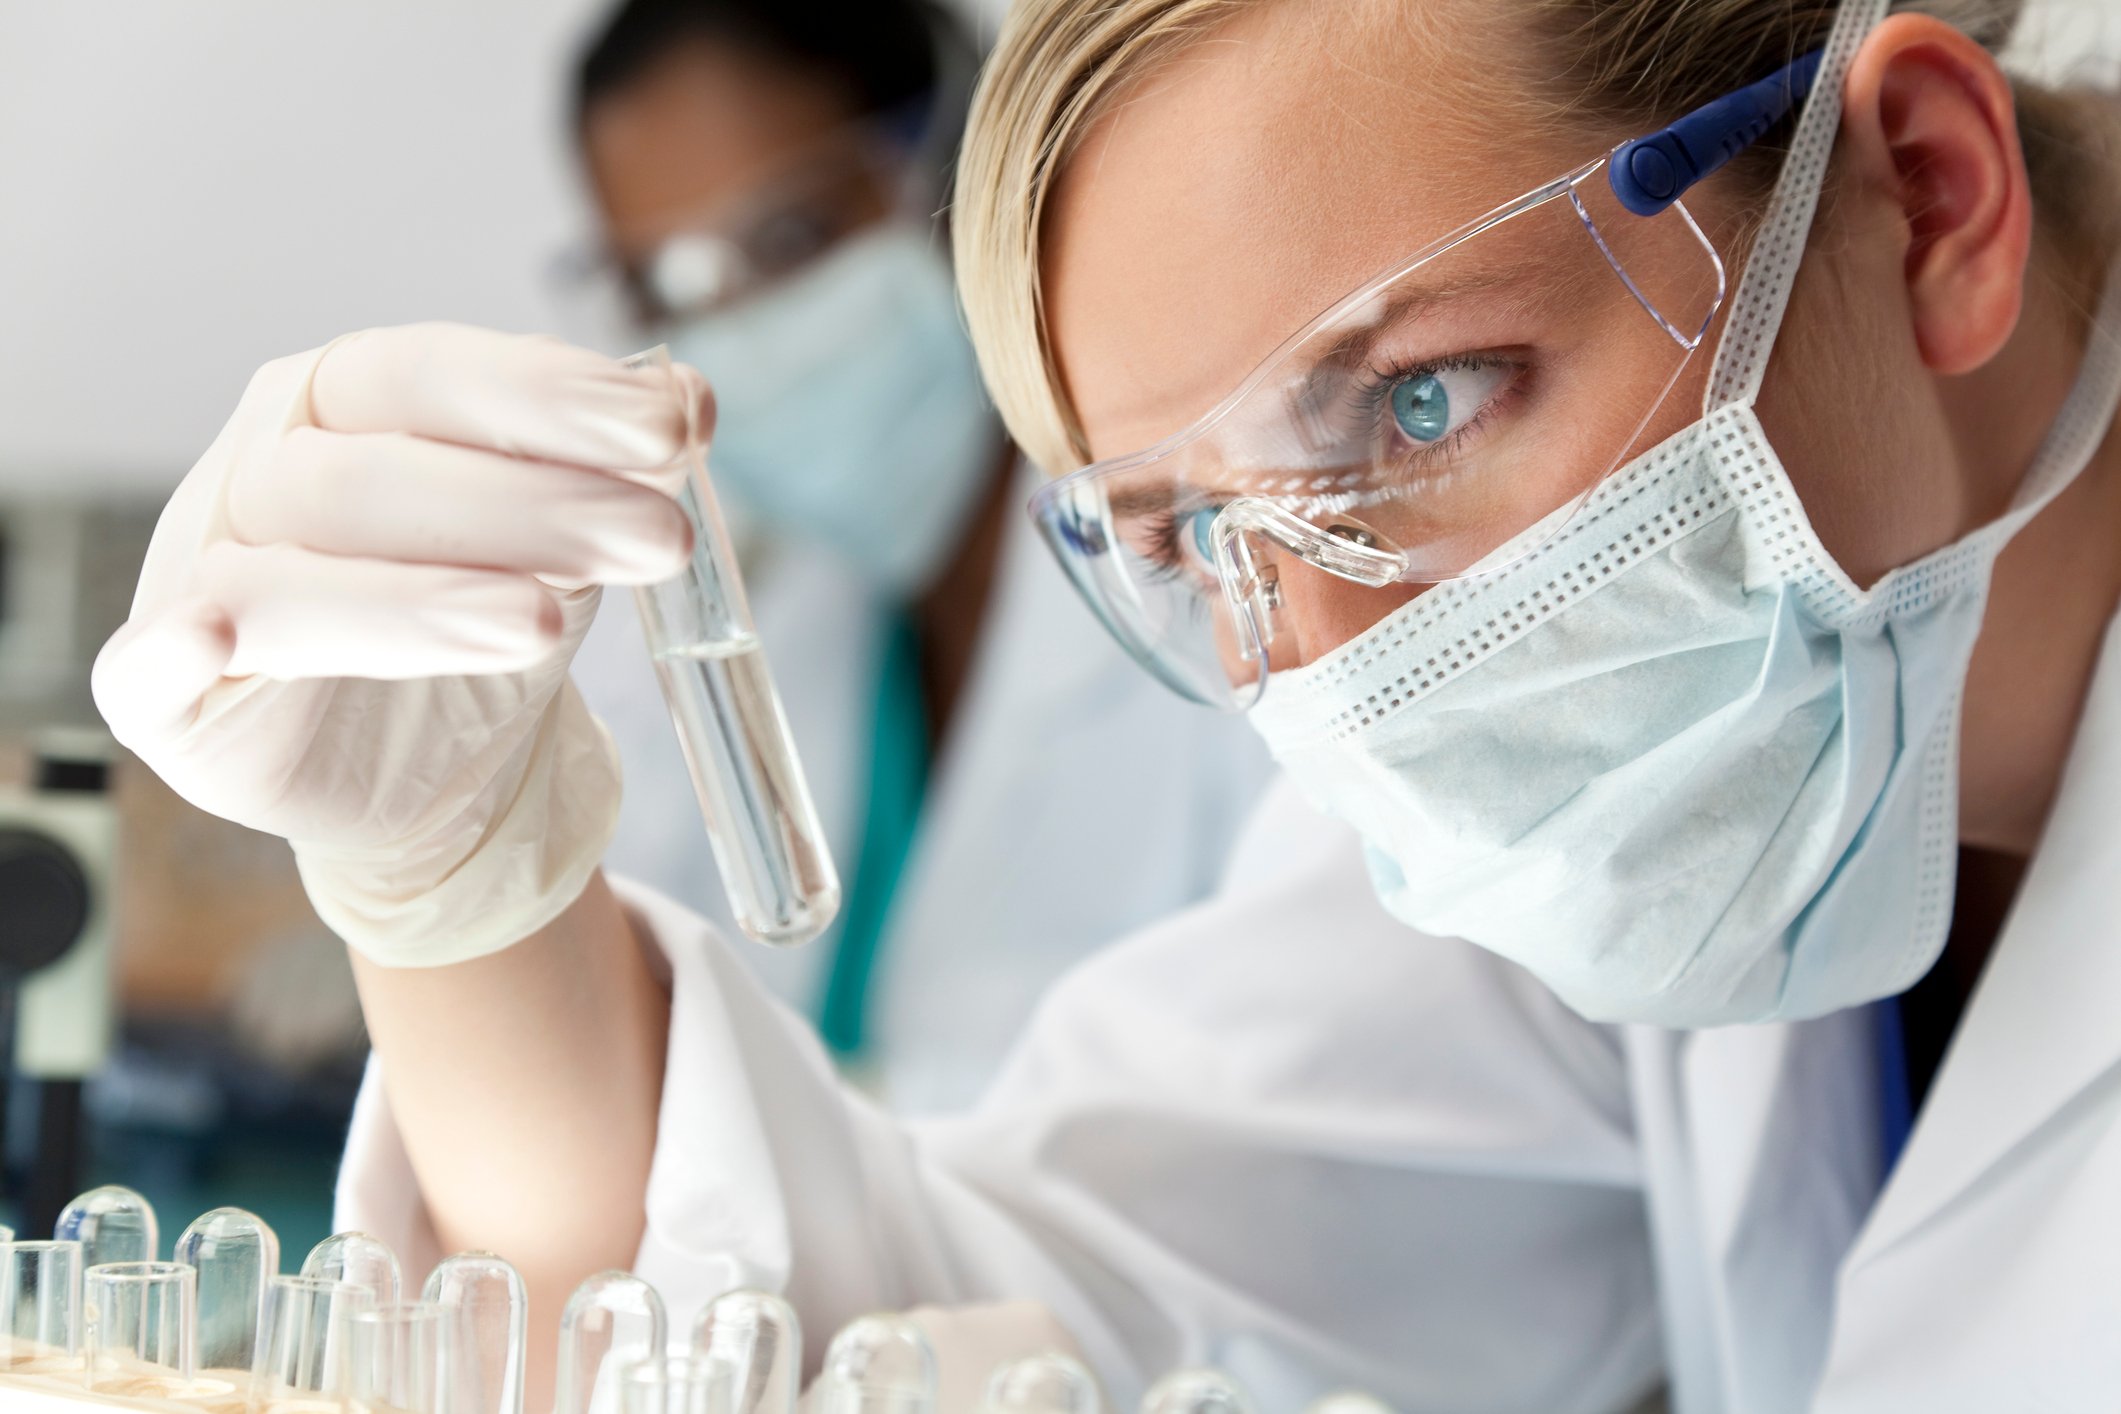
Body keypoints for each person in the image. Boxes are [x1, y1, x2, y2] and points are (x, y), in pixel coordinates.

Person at [92, 0, 2121, 1409]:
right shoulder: (1656, 773)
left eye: (1421, 398)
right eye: (1182, 533)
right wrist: (459, 896)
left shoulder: (1701, 679)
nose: (1327, 657)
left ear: (1926, 200)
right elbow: (987, 1333)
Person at [560, 0, 1273, 1105]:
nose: (746, 336)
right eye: (667, 288)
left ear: (952, 171)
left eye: (790, 238)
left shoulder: (1224, 570)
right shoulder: (771, 619)